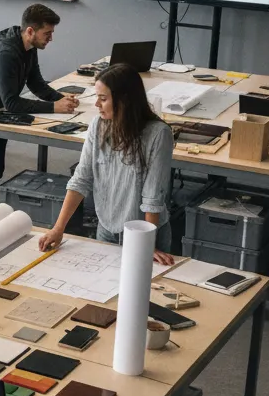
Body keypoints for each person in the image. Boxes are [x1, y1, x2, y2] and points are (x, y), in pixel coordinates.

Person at [39, 64, 175, 264]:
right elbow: (81, 179)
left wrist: (148, 244)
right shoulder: (98, 126)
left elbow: (152, 196)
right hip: (106, 229)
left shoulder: (158, 134)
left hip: (144, 232)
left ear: (124, 100)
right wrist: (58, 229)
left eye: (103, 99)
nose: (97, 104)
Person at [0, 3, 78, 212]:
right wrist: (54, 107)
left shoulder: (29, 48)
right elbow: (12, 103)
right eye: (47, 33)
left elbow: (36, 83)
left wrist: (61, 99)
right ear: (30, 31)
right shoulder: (6, 53)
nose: (51, 38)